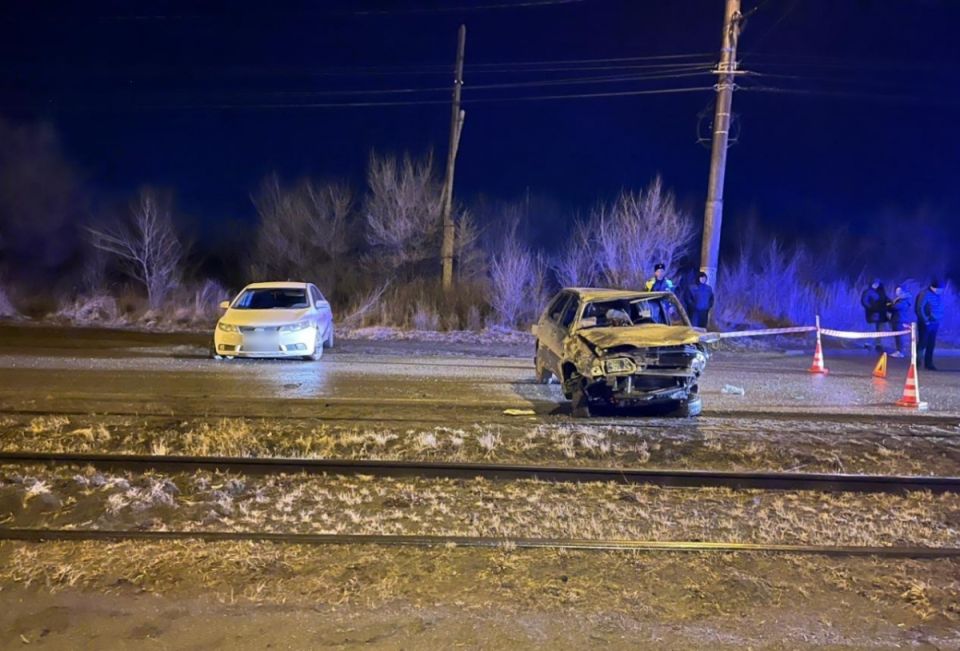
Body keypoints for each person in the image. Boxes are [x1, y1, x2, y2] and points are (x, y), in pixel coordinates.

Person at [915, 279, 945, 371]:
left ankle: (929, 363)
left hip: (935, 323)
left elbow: (939, 307)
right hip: (926, 323)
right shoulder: (925, 294)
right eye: (940, 289)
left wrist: (939, 318)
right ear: (934, 288)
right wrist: (926, 320)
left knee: (931, 344)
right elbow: (919, 308)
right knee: (922, 343)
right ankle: (917, 363)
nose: (941, 291)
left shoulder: (938, 295)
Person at [860, 279, 890, 352]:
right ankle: (868, 343)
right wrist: (871, 308)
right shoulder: (868, 292)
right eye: (874, 283)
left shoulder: (882, 291)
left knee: (880, 329)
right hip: (872, 314)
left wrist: (890, 304)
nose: (876, 285)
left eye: (877, 283)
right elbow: (864, 301)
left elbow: (886, 300)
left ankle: (878, 344)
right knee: (871, 329)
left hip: (882, 314)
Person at [888, 285, 914, 358]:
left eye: (899, 291)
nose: (897, 292)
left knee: (899, 336)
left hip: (900, 320)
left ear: (903, 291)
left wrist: (889, 305)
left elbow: (896, 307)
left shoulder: (905, 300)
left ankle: (900, 351)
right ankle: (898, 350)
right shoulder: (898, 299)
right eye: (896, 291)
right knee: (897, 336)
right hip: (896, 319)